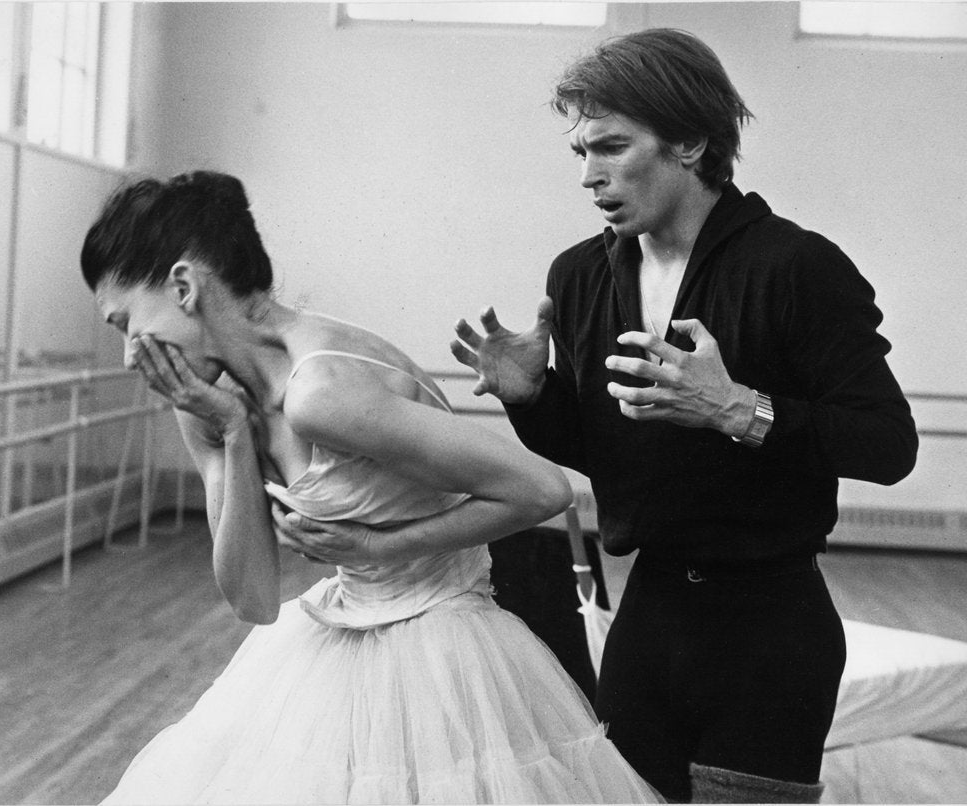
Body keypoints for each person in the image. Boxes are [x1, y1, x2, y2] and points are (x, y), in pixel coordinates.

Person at [443, 28, 919, 804]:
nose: (589, 175)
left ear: (691, 142)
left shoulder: (796, 266)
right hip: (650, 617)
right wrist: (535, 399)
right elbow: (613, 450)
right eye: (582, 152)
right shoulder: (579, 276)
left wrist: (737, 408)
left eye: (612, 147)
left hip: (770, 629)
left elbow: (889, 445)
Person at [81, 170, 662, 804]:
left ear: (184, 287)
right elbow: (253, 599)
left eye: (125, 323)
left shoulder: (321, 390)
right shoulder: (205, 403)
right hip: (337, 633)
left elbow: (543, 490)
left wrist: (373, 547)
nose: (129, 354)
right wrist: (233, 433)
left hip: (444, 646)